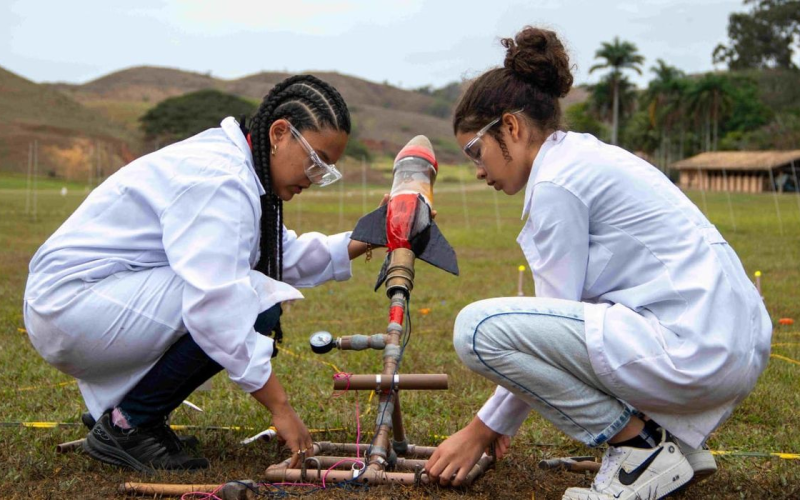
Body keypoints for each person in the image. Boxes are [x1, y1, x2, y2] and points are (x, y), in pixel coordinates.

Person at [424, 27, 772, 500]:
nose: (478, 169)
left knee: (477, 331)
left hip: (697, 349)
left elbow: (546, 329)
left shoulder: (557, 183)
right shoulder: (586, 157)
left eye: (474, 152)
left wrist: (482, 429)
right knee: (551, 326)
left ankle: (639, 450)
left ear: (511, 127)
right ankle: (666, 443)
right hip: (733, 346)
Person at [23, 75, 379, 473]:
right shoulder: (220, 179)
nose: (315, 179)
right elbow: (215, 305)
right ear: (280, 133)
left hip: (96, 300)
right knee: (248, 302)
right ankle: (128, 425)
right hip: (72, 306)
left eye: (326, 170)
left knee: (253, 293)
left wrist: (375, 234)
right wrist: (281, 408)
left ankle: (130, 413)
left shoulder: (244, 171)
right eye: (316, 162)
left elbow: (285, 256)